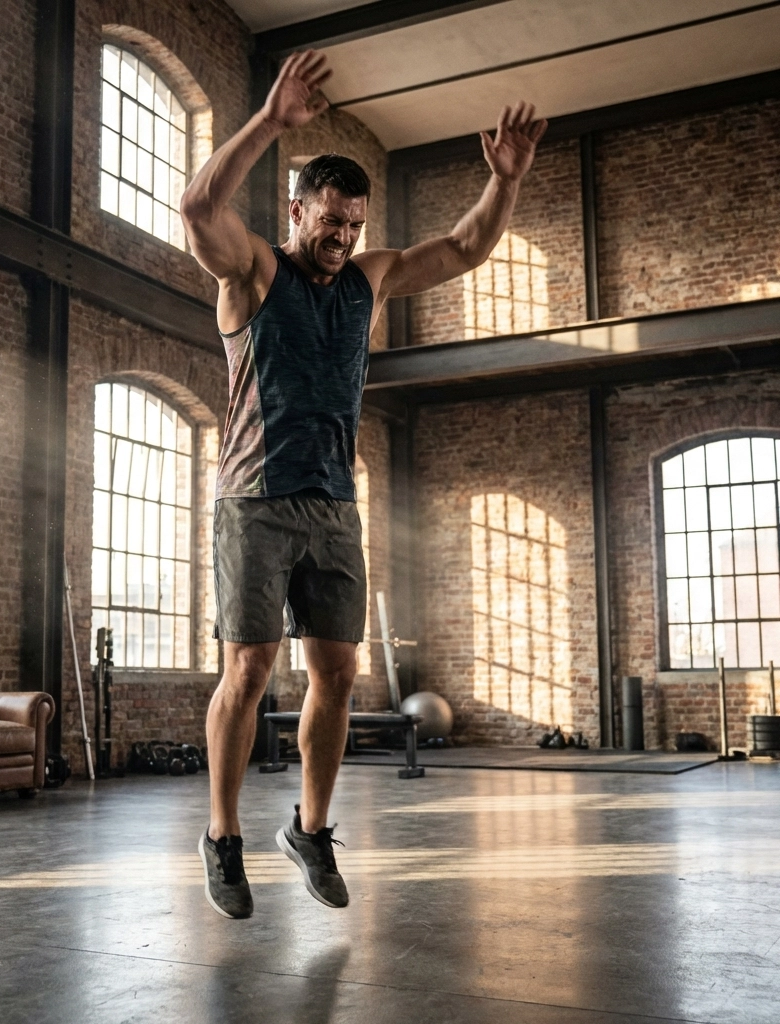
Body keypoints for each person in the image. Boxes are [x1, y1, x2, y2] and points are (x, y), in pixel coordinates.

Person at [180, 50, 546, 919]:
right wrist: (271, 121)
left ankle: (310, 829)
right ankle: (224, 837)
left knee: (339, 674)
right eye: (329, 221)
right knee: (250, 666)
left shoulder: (368, 279)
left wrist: (506, 183)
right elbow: (198, 206)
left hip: (335, 507)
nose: (342, 237)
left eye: (353, 224)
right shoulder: (253, 273)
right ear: (296, 210)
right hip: (254, 498)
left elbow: (462, 247)